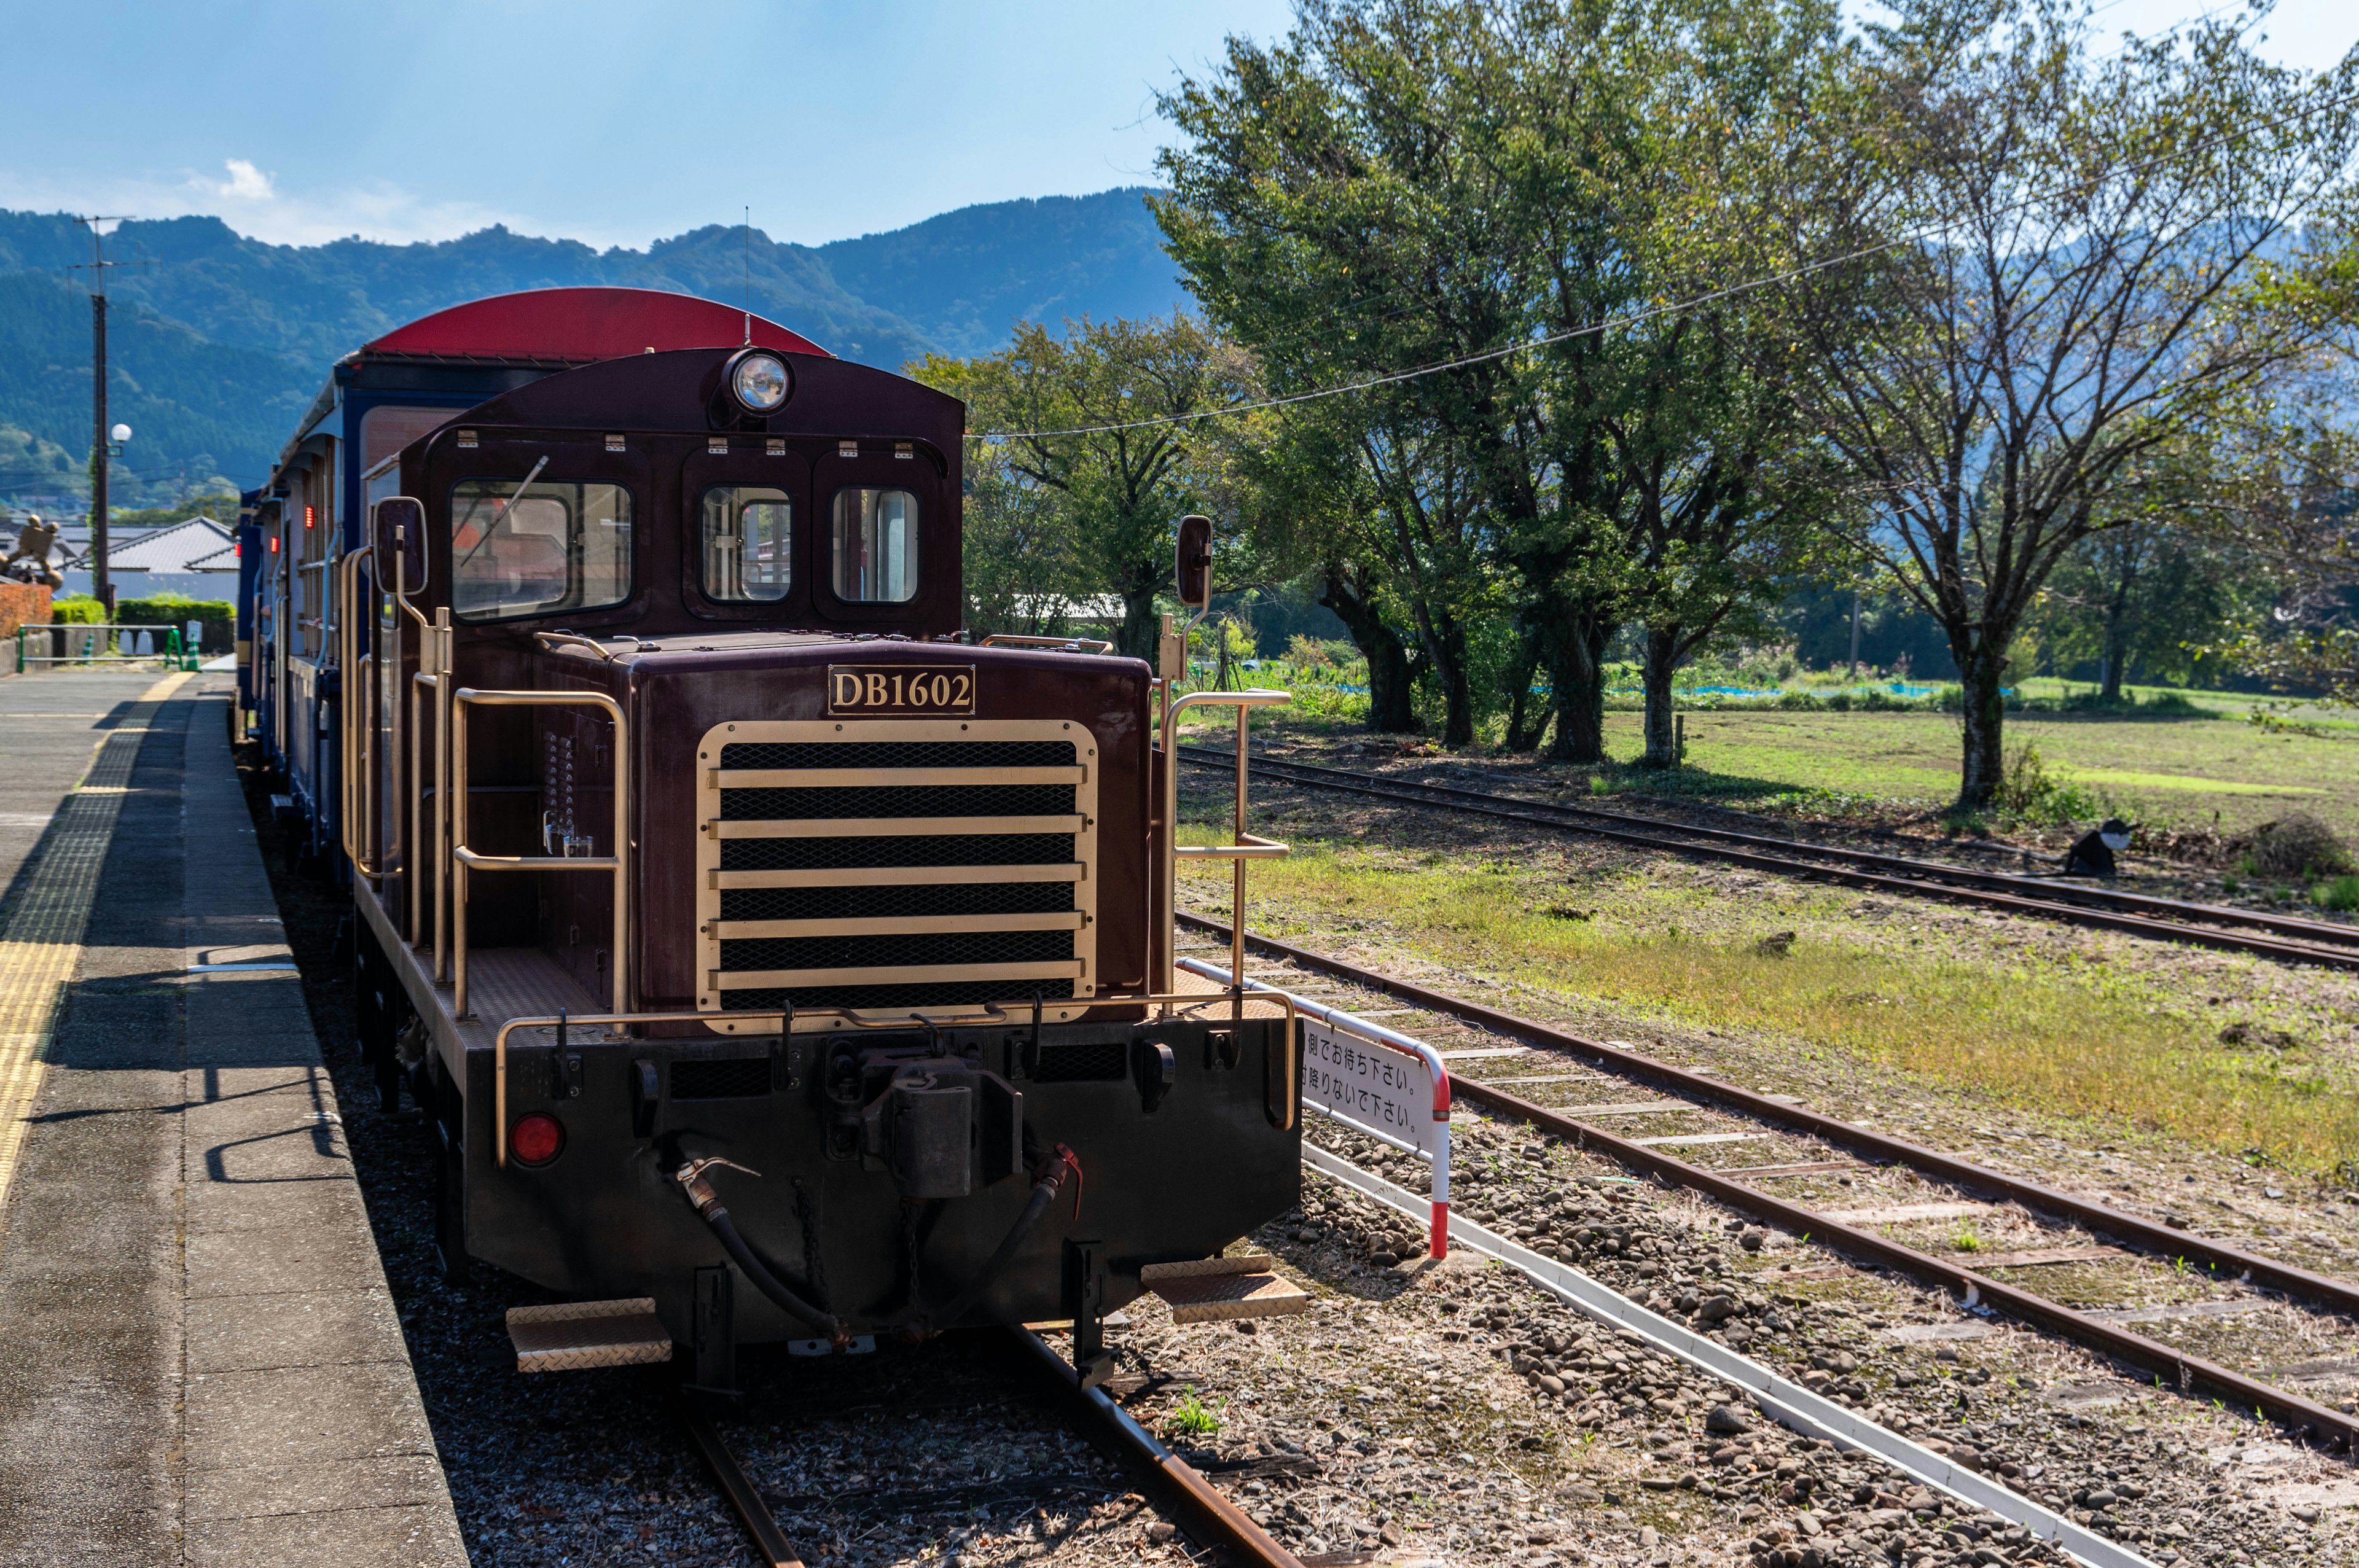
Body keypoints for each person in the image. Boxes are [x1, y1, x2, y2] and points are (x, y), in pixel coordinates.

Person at [2061, 817, 2133, 878]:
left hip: (2100, 869)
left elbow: (2109, 856)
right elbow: (2074, 847)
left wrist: (2114, 871)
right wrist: (2067, 870)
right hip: (2084, 866)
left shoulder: (2106, 843)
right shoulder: (2093, 834)